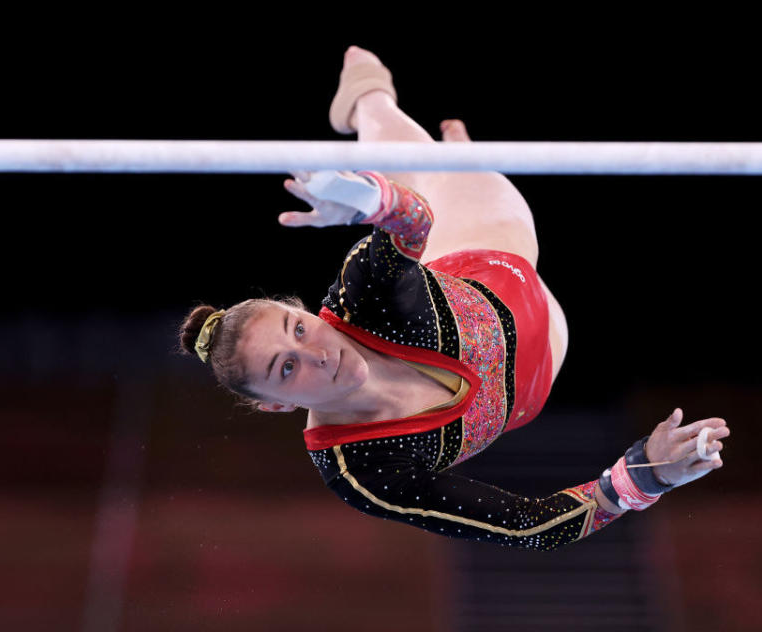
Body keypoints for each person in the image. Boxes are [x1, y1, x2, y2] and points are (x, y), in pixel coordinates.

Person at [178, 46, 730, 551]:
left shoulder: (358, 295)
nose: (317, 352)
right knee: (430, 173)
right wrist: (645, 476)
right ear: (275, 405)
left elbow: (412, 220)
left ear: (302, 310)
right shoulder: (363, 469)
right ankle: (449, 154)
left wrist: (370, 199)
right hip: (539, 369)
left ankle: (369, 95)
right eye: (286, 367)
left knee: (421, 167)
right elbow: (526, 525)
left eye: (298, 329)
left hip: (490, 247)